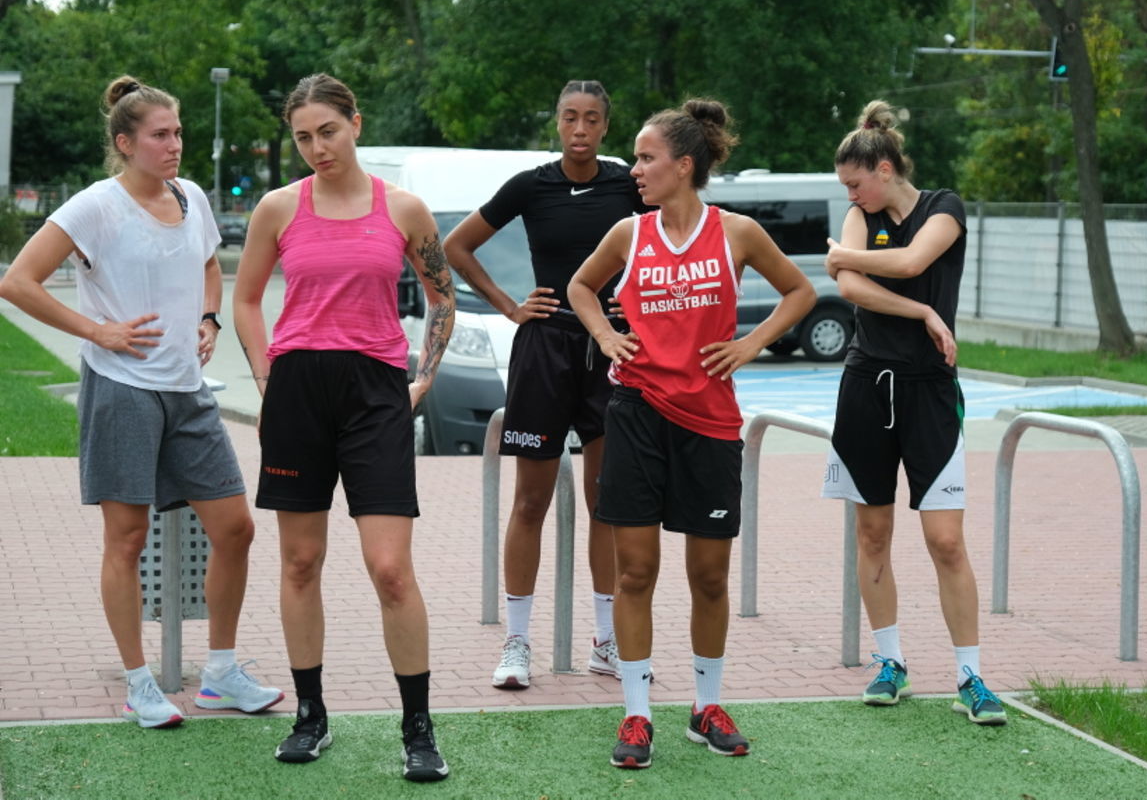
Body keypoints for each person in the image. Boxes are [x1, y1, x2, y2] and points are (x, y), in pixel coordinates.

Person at [0, 75, 283, 729]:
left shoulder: (190, 197)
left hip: (188, 393)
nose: (174, 144)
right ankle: (138, 682)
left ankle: (219, 674)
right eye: (160, 135)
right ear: (126, 143)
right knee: (126, 538)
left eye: (178, 131)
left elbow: (210, 264)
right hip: (121, 391)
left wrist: (209, 318)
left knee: (235, 528)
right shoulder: (96, 206)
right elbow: (18, 280)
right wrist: (96, 329)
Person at [569, 99, 815, 768]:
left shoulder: (735, 232)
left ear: (684, 164)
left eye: (646, 158)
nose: (636, 168)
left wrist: (750, 344)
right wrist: (605, 335)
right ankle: (637, 712)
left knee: (709, 576)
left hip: (710, 422)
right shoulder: (630, 234)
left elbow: (800, 292)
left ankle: (705, 707)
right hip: (637, 415)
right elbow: (580, 287)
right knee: (636, 571)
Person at [232, 73, 456, 781]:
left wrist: (425, 374)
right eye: (303, 136)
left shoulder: (405, 209)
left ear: (356, 122)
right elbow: (245, 300)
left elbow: (441, 293)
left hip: (375, 391)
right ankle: (311, 714)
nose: (316, 147)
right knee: (300, 562)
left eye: (327, 130)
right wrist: (267, 381)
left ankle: (417, 728)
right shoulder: (277, 208)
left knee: (390, 568)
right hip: (297, 387)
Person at [444, 80, 649, 689]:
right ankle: (517, 642)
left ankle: (606, 643)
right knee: (530, 501)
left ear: (606, 126)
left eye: (590, 119)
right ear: (556, 123)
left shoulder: (627, 186)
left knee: (605, 503)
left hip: (613, 349)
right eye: (569, 118)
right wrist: (509, 306)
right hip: (545, 348)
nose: (579, 129)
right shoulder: (531, 185)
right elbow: (456, 246)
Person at [822, 100, 1006, 726]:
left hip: (929, 391)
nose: (851, 196)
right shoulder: (857, 214)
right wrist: (922, 311)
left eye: (855, 183)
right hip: (865, 386)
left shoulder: (943, 208)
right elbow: (849, 290)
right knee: (872, 534)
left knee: (945, 540)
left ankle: (971, 675)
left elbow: (907, 263)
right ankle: (891, 662)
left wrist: (849, 258)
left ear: (884, 167)